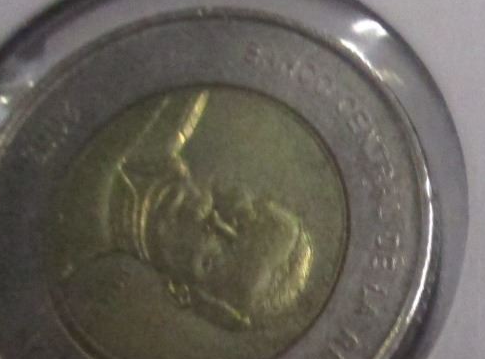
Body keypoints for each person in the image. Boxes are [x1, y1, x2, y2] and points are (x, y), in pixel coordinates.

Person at [59, 89, 316, 331]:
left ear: (182, 291)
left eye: (212, 260)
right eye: (241, 219)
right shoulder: (172, 101)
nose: (214, 221)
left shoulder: (64, 250)